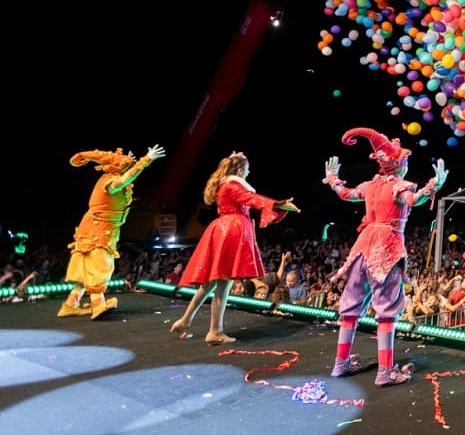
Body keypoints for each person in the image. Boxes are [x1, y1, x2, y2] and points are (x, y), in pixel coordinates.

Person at [324, 127, 447, 387]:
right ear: (400, 164)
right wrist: (433, 186)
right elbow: (413, 200)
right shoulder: (398, 186)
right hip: (387, 248)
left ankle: (340, 364)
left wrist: (333, 178)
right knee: (387, 310)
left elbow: (345, 194)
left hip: (363, 246)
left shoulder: (369, 186)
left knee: (351, 306)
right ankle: (385, 371)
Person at [170, 152, 299, 344]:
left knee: (211, 284)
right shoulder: (232, 185)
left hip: (222, 229)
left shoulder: (223, 185)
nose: (249, 171)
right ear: (239, 170)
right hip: (231, 231)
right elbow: (252, 200)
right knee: (222, 284)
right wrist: (279, 204)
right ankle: (214, 331)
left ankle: (185, 321)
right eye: (247, 168)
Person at [60, 144, 166, 319]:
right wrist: (146, 160)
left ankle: (70, 304)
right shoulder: (110, 182)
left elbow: (125, 175)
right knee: (99, 264)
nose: (127, 163)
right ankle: (98, 304)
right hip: (99, 230)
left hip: (99, 227)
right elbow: (125, 180)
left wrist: (133, 163)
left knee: (87, 267)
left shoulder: (109, 177)